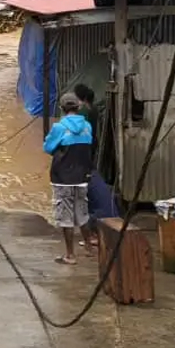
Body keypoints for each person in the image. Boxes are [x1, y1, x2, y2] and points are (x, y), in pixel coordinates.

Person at [43, 92, 95, 265]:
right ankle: (88, 247)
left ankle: (70, 255)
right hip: (82, 177)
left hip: (63, 177)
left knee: (65, 216)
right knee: (82, 213)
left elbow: (48, 147)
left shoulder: (59, 127)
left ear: (62, 108)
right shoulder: (87, 126)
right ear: (78, 107)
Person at [75, 84, 116, 250]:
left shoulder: (84, 112)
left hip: (84, 147)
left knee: (83, 207)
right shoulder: (93, 110)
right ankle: (94, 234)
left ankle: (91, 236)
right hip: (92, 145)